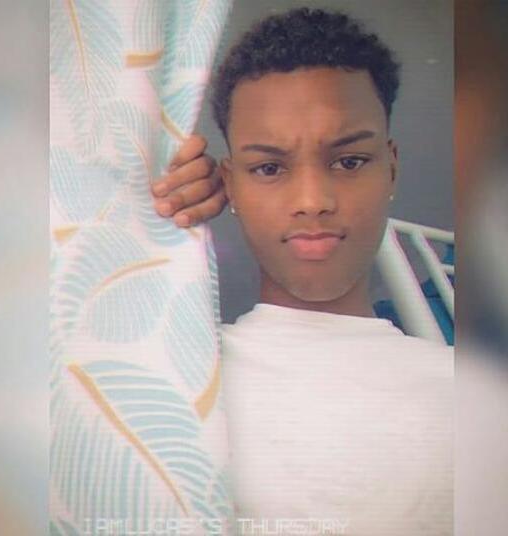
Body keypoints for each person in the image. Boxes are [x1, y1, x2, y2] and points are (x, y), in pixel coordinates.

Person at [152, 7, 452, 535]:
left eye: (349, 161)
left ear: (391, 168)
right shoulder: (173, 377)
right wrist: (133, 223)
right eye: (269, 168)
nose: (312, 200)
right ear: (230, 185)